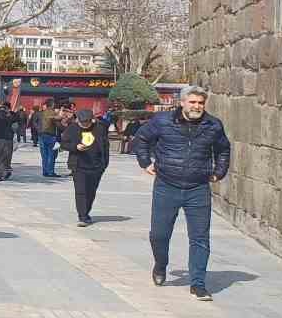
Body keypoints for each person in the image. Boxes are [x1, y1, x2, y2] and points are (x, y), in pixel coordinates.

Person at [132, 86, 231, 301]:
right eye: (193, 102)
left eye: (201, 103)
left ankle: (198, 283)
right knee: (159, 234)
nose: (197, 106)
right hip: (166, 185)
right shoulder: (162, 121)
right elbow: (141, 139)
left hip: (198, 188)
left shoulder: (213, 125)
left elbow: (223, 149)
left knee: (200, 238)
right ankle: (160, 265)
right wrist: (144, 162)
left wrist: (219, 172)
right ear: (182, 103)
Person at [61, 108, 110, 227]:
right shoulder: (72, 128)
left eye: (86, 122)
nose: (83, 124)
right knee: (81, 191)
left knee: (91, 191)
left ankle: (86, 211)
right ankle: (82, 216)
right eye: (81, 122)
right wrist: (75, 147)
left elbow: (105, 147)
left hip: (96, 165)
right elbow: (63, 144)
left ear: (91, 120)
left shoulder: (99, 129)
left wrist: (104, 164)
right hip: (79, 165)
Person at [37, 100, 63, 177]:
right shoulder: (52, 112)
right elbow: (58, 120)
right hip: (50, 135)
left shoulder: (42, 113)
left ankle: (45, 171)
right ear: (52, 105)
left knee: (44, 155)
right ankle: (50, 172)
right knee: (51, 154)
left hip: (41, 135)